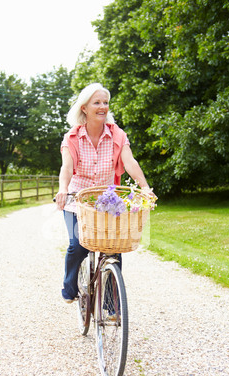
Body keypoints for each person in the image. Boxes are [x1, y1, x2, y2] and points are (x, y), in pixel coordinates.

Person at [55, 83, 154, 303]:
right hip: (77, 200)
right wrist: (63, 190)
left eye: (105, 103)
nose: (103, 107)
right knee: (77, 245)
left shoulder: (117, 135)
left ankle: (111, 304)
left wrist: (144, 187)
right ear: (84, 108)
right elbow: (66, 168)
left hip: (107, 200)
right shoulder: (72, 137)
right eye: (97, 103)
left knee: (113, 249)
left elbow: (129, 161)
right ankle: (69, 286)